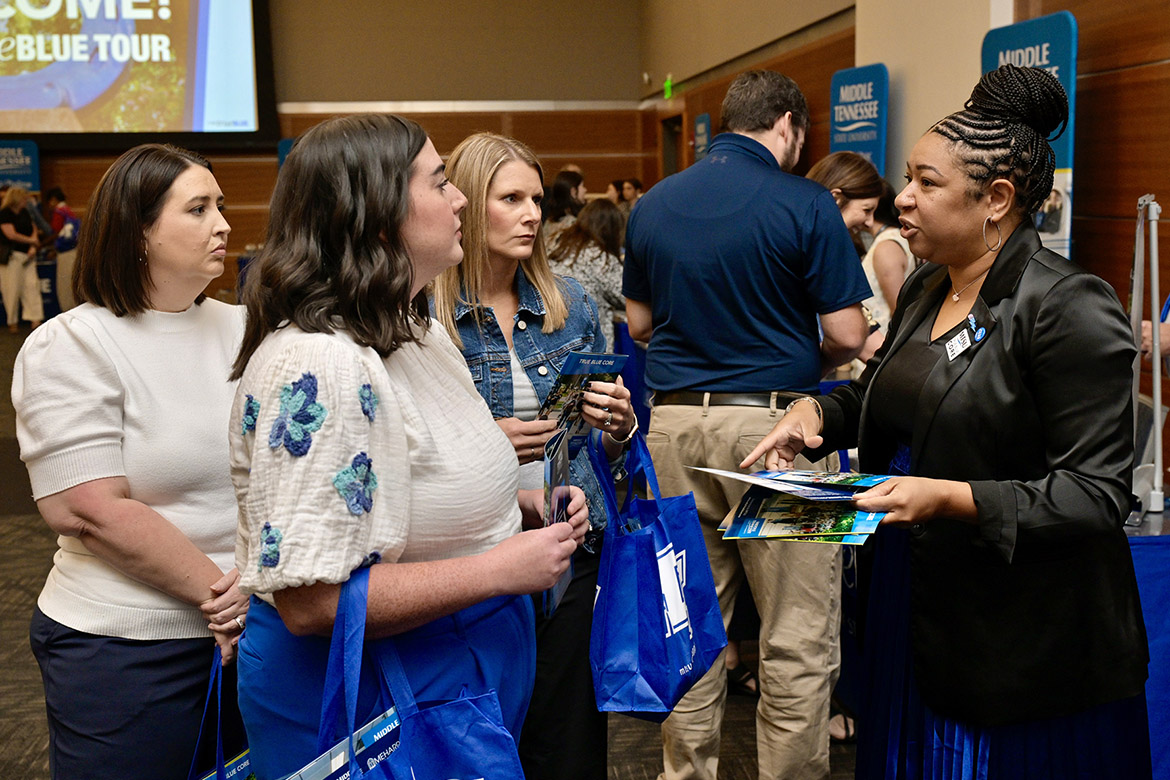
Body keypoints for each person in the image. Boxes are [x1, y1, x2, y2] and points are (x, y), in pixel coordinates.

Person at [745, 65, 1151, 780]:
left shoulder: (1068, 306)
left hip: (1018, 629)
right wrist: (816, 412)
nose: (901, 198)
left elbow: (1095, 495)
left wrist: (947, 497)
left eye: (926, 184)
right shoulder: (929, 284)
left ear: (996, 200)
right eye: (908, 177)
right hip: (912, 591)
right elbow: (889, 397)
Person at [227, 115, 589, 780]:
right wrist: (498, 569)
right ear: (376, 213)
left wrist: (521, 505)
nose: (459, 200)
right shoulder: (321, 364)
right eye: (441, 181)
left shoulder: (413, 329)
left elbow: (415, 487)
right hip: (374, 705)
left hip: (446, 687)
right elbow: (312, 602)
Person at [623, 69, 871, 780]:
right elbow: (850, 335)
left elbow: (640, 324)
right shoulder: (806, 203)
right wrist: (796, 348)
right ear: (788, 125)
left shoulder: (654, 204)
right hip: (782, 434)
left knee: (690, 627)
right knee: (797, 636)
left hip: (673, 430)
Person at [12, 144, 248, 779]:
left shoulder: (249, 329)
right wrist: (224, 598)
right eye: (198, 209)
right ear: (138, 231)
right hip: (127, 649)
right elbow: (87, 508)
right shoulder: (71, 343)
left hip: (257, 634)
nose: (223, 223)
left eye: (220, 206)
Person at [431, 131, 636, 780]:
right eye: (510, 198)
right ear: (464, 203)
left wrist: (618, 427)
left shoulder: (571, 303)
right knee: (482, 739)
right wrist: (485, 440)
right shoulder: (424, 315)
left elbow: (594, 444)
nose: (531, 214)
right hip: (468, 552)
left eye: (536, 199)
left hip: (567, 543)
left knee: (566, 742)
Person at [548, 197, 626, 349]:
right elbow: (626, 295)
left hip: (552, 342)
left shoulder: (556, 244)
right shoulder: (600, 257)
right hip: (589, 350)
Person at [0, 185, 44, 332]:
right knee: (11, 289)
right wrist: (31, 241)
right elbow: (11, 235)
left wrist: (33, 246)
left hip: (29, 256)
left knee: (32, 286)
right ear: (17, 199)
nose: (27, 201)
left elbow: (34, 229)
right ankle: (12, 321)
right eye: (24, 199)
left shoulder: (25, 212)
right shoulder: (4, 213)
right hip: (12, 257)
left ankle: (35, 320)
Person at [46, 186, 82, 311]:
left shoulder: (59, 212)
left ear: (54, 199)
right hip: (74, 250)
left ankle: (67, 310)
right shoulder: (69, 211)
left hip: (65, 251)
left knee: (64, 284)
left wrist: (42, 245)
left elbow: (56, 232)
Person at [542, 168, 586, 246]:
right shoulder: (575, 225)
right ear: (573, 191)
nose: (585, 190)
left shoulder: (548, 222)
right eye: (582, 186)